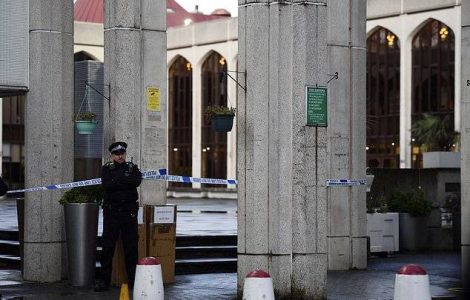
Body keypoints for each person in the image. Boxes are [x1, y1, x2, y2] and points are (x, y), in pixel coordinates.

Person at [95, 141, 142, 292]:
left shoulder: (132, 167)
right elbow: (107, 185)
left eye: (122, 153)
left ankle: (134, 281)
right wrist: (125, 181)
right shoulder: (106, 168)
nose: (120, 156)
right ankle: (104, 281)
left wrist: (119, 180)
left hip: (129, 213)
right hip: (112, 213)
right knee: (108, 248)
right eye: (117, 154)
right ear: (112, 155)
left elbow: (136, 181)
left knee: (131, 248)